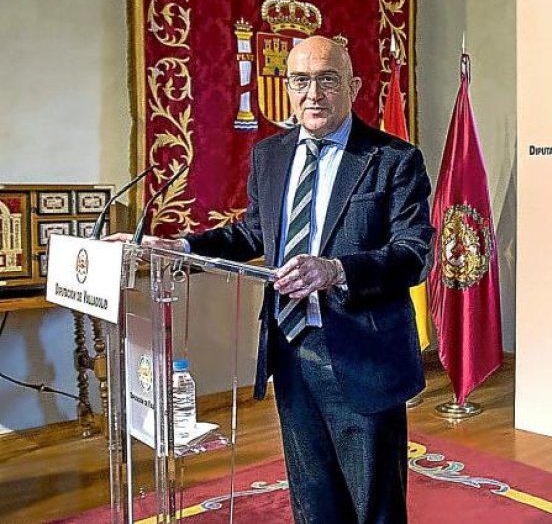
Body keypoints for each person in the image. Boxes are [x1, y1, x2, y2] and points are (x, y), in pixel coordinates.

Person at [111, 36, 433, 523]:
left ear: (354, 86)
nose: (314, 94)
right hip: (290, 349)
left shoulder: (393, 159)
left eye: (328, 79)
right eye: (301, 81)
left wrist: (336, 269)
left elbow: (413, 254)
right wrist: (181, 247)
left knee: (375, 505)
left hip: (363, 356)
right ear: (287, 89)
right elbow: (252, 233)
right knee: (313, 497)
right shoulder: (271, 156)